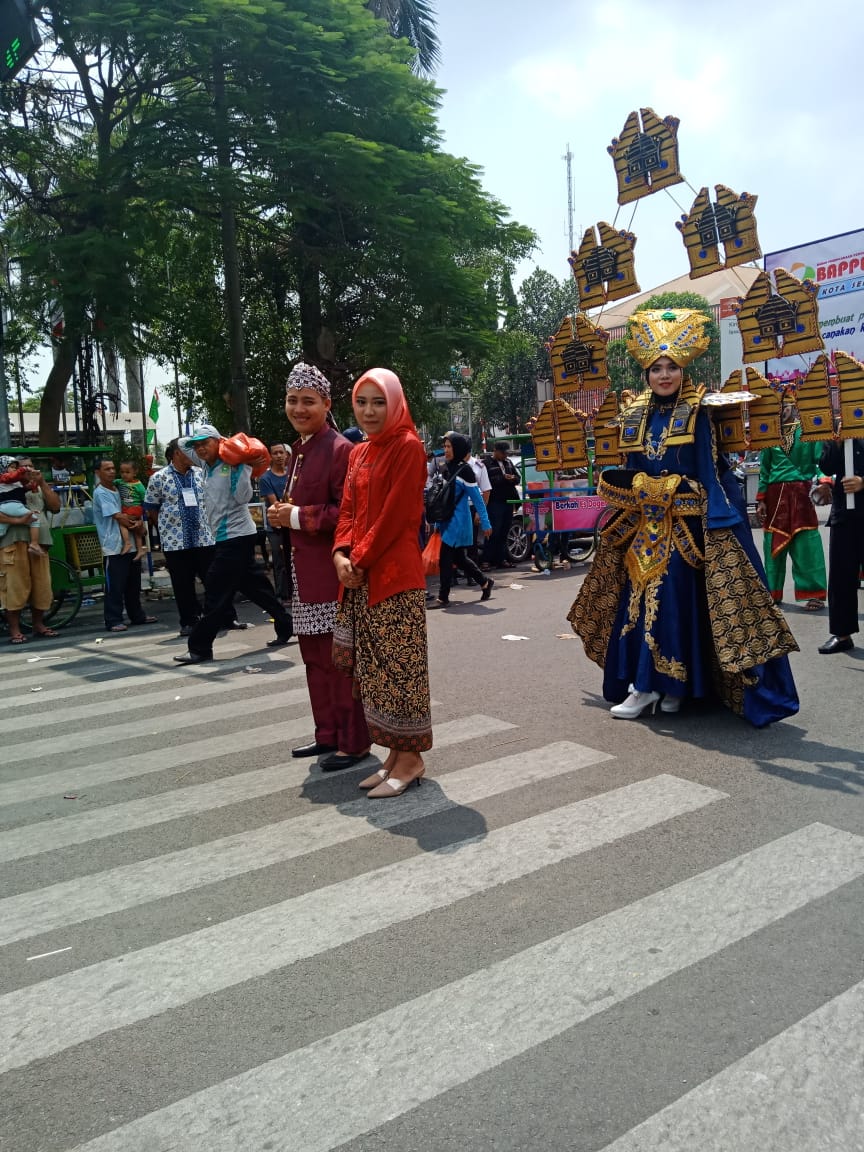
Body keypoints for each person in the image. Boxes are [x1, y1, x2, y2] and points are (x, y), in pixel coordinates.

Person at [568, 308, 799, 727]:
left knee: (670, 597)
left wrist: (714, 518)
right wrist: (635, 488)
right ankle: (650, 686)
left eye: (671, 366)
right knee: (634, 597)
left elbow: (710, 475)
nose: (663, 375)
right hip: (645, 527)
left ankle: (667, 686)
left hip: (689, 531)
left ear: (683, 369)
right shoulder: (634, 414)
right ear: (646, 373)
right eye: (656, 368)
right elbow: (631, 467)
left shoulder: (699, 411)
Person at [332, 367, 432, 796]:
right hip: (361, 574)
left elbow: (396, 517)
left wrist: (358, 557)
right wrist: (339, 553)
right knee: (375, 671)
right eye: (362, 402)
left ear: (395, 403)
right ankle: (394, 754)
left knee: (401, 669)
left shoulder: (408, 447)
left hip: (395, 578)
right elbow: (349, 511)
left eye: (379, 402)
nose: (370, 411)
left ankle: (410, 759)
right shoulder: (359, 453)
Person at [267, 363, 371, 766]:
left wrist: (293, 517)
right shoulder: (299, 449)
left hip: (332, 575)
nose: (298, 408)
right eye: (292, 400)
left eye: (307, 401)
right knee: (313, 659)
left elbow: (347, 513)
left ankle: (353, 741)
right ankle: (326, 734)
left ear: (326, 404)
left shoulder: (339, 449)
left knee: (339, 662)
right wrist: (284, 516)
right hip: (304, 574)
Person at [173, 425, 293, 664]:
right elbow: (182, 444)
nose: (199, 448)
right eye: (198, 445)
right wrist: (229, 445)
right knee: (255, 588)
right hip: (225, 538)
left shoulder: (236, 467)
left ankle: (199, 648)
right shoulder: (206, 462)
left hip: (236, 538)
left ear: (216, 442)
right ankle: (287, 624)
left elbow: (242, 498)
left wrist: (241, 463)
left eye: (204, 443)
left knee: (216, 591)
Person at [144, 440, 225, 637]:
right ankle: (189, 621)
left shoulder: (201, 473)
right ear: (177, 453)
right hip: (176, 541)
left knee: (213, 580)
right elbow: (151, 507)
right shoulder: (159, 478)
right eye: (188, 450)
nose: (194, 453)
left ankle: (220, 617)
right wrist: (166, 528)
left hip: (204, 538)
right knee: (182, 584)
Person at [755, 393, 826, 609]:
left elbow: (820, 461)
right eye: (777, 406)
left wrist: (825, 480)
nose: (781, 410)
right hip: (775, 497)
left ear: (793, 407)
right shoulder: (769, 434)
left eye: (784, 406)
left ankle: (814, 593)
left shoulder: (806, 431)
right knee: (772, 547)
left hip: (801, 495)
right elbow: (764, 470)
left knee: (807, 545)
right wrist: (761, 499)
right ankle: (772, 593)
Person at [92, 458, 158, 634]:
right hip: (114, 545)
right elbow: (117, 516)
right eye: (107, 469)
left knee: (133, 583)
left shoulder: (119, 487)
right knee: (115, 585)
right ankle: (113, 619)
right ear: (98, 473)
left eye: (113, 468)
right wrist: (137, 525)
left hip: (130, 542)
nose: (112, 472)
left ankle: (137, 615)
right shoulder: (101, 492)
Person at [0, 456, 61, 643]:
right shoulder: (5, 486)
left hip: (39, 544)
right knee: (15, 587)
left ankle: (38, 624)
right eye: (21, 467)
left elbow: (56, 507)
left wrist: (41, 482)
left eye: (30, 466)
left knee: (41, 586)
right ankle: (15, 629)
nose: (26, 469)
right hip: (12, 543)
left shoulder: (36, 488)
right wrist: (18, 521)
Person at [428, 432, 493, 608]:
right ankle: (485, 582)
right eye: (445, 446)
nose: (446, 450)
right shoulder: (446, 467)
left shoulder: (466, 471)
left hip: (459, 522)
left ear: (458, 448)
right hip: (447, 521)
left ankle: (443, 597)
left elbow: (478, 499)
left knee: (445, 559)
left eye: (449, 446)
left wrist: (485, 523)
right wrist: (437, 523)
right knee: (460, 558)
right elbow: (443, 498)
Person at [813, 439, 864, 653]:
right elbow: (827, 465)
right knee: (841, 575)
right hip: (844, 513)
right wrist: (837, 441)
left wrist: (863, 481)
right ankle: (842, 634)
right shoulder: (837, 427)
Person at [257, 442, 292, 604]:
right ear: (270, 456)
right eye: (275, 453)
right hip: (276, 527)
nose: (279, 456)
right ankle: (282, 595)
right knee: (280, 562)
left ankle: (295, 594)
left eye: (281, 453)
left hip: (293, 524)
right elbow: (274, 503)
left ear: (286, 455)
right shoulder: (265, 478)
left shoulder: (293, 475)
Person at [482, 441, 520, 569]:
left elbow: (518, 478)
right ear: (495, 451)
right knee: (494, 531)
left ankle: (501, 559)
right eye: (502, 453)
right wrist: (503, 479)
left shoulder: (508, 462)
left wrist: (512, 478)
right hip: (494, 502)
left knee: (504, 531)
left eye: (506, 453)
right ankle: (486, 560)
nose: (504, 456)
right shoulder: (486, 464)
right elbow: (486, 483)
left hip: (508, 501)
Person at [0, 456, 43, 555]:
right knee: (34, 520)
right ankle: (34, 544)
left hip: (6, 509)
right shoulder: (3, 477)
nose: (15, 469)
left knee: (1, 531)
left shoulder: (14, 483)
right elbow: (10, 477)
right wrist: (23, 469)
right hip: (12, 506)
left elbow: (21, 490)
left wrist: (32, 484)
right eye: (12, 467)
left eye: (16, 467)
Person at [117, 460, 148, 561]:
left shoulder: (138, 485)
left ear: (135, 472)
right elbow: (111, 482)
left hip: (134, 509)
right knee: (136, 532)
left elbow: (145, 498)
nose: (124, 475)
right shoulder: (120, 482)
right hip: (127, 508)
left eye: (127, 472)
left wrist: (145, 511)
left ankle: (127, 543)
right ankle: (140, 550)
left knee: (122, 523)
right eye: (122, 472)